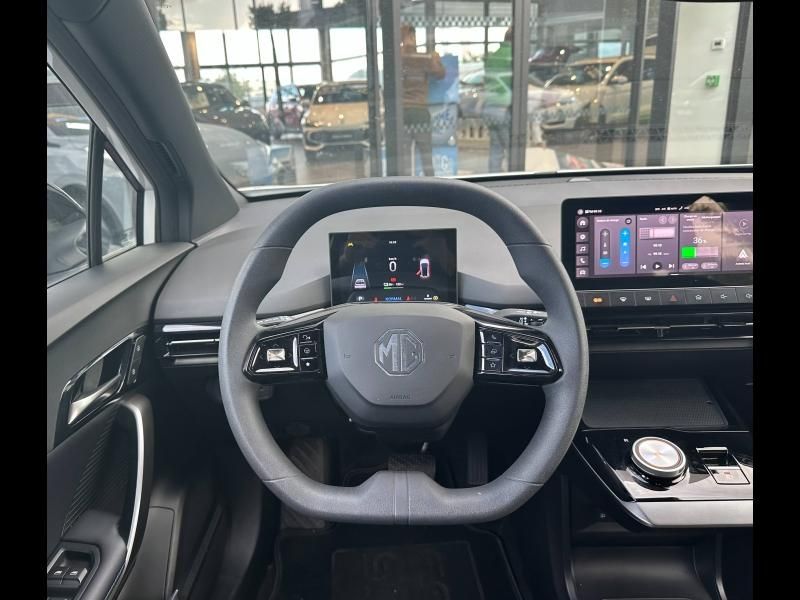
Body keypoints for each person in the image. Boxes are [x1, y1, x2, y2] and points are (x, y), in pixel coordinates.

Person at [400, 24, 445, 176]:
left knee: (404, 158)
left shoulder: (396, 59)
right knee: (426, 156)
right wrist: (435, 59)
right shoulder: (422, 58)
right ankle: (431, 185)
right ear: (413, 37)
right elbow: (440, 73)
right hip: (419, 110)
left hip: (402, 112)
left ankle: (404, 186)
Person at [482, 27, 513, 172]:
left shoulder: (493, 57)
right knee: (512, 149)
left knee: (496, 147)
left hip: (489, 108)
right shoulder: (513, 56)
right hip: (504, 108)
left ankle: (493, 176)